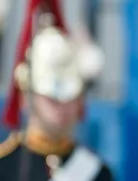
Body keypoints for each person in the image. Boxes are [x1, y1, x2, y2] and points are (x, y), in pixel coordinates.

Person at [0, 1, 113, 180]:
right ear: (28, 94)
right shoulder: (4, 166)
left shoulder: (98, 173)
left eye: (71, 97)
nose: (63, 107)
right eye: (52, 98)